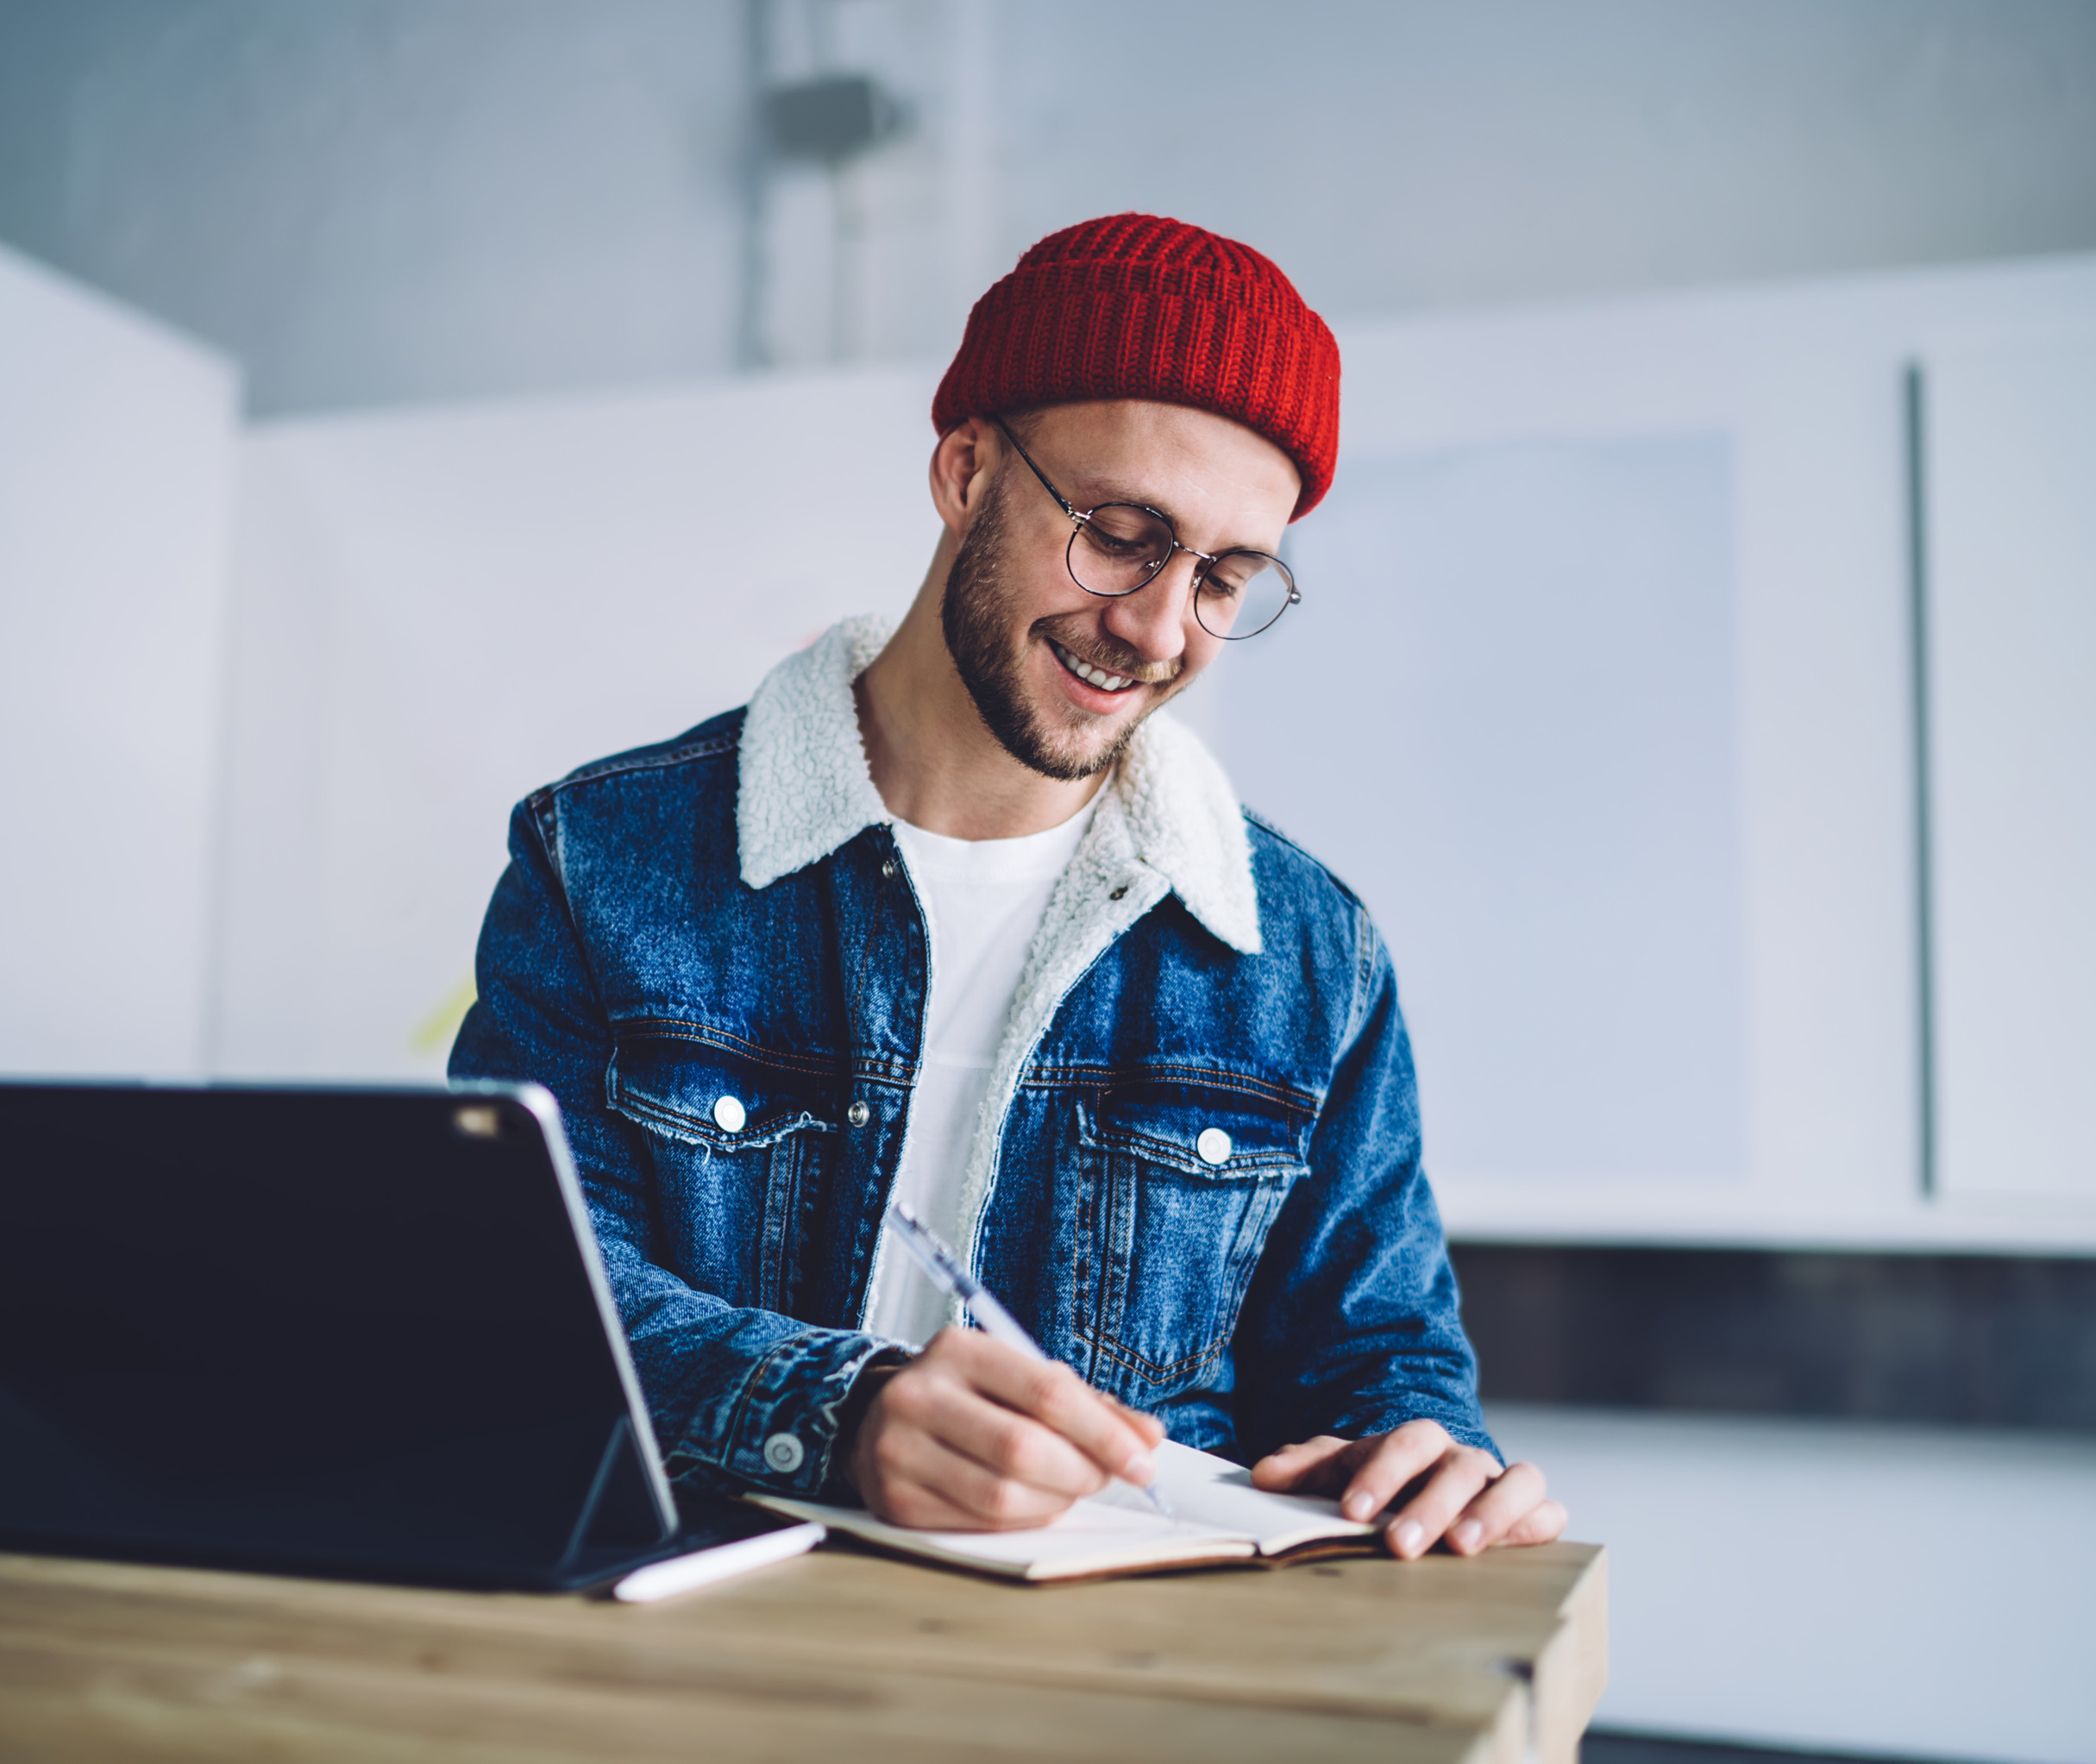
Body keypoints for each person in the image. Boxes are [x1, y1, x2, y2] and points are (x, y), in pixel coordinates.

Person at [451, 214, 1565, 1560]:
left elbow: (1377, 1360)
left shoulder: (1309, 951)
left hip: (1117, 1687)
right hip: (683, 1656)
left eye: (1224, 577)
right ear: (966, 469)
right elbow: (522, 1297)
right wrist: (842, 1414)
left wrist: (1425, 1454)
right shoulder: (603, 859)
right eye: (1119, 533)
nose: (1159, 629)